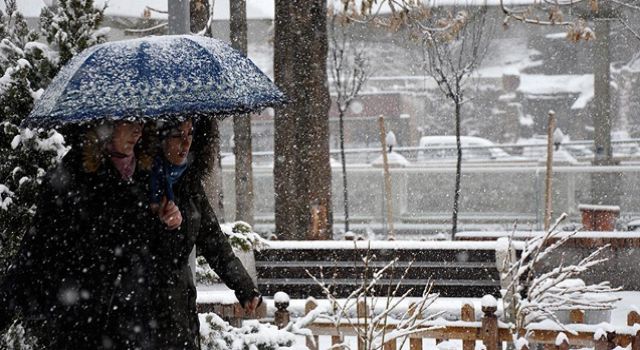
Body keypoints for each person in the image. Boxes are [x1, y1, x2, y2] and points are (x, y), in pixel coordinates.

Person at [0, 121, 153, 349]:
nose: (138, 130)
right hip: (80, 320)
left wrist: (166, 219)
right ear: (107, 125)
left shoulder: (146, 175)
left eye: (141, 121)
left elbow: (147, 253)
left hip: (130, 324)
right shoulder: (75, 172)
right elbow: (38, 244)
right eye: (128, 122)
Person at [147, 119, 261, 349]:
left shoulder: (188, 183)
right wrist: (160, 223)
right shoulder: (144, 184)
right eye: (178, 135)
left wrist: (244, 286)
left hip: (180, 306)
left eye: (190, 133)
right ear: (160, 139)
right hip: (146, 312)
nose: (186, 142)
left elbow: (213, 241)